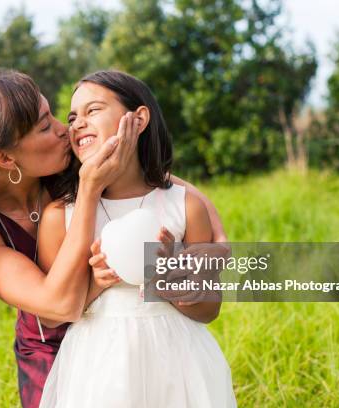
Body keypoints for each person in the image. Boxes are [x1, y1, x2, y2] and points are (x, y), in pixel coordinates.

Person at [0, 68, 228, 408]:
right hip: (53, 349)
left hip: (152, 342)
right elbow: (58, 307)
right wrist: (89, 189)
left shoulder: (68, 157)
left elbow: (153, 182)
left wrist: (216, 240)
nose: (64, 129)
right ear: (5, 157)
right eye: (45, 126)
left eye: (55, 116)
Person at [38, 70, 236, 407]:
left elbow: (210, 308)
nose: (77, 123)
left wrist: (175, 284)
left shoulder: (184, 206)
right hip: (97, 365)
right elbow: (50, 315)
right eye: (73, 117)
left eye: (93, 110)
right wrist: (97, 283)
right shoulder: (61, 215)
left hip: (177, 360)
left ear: (139, 118)